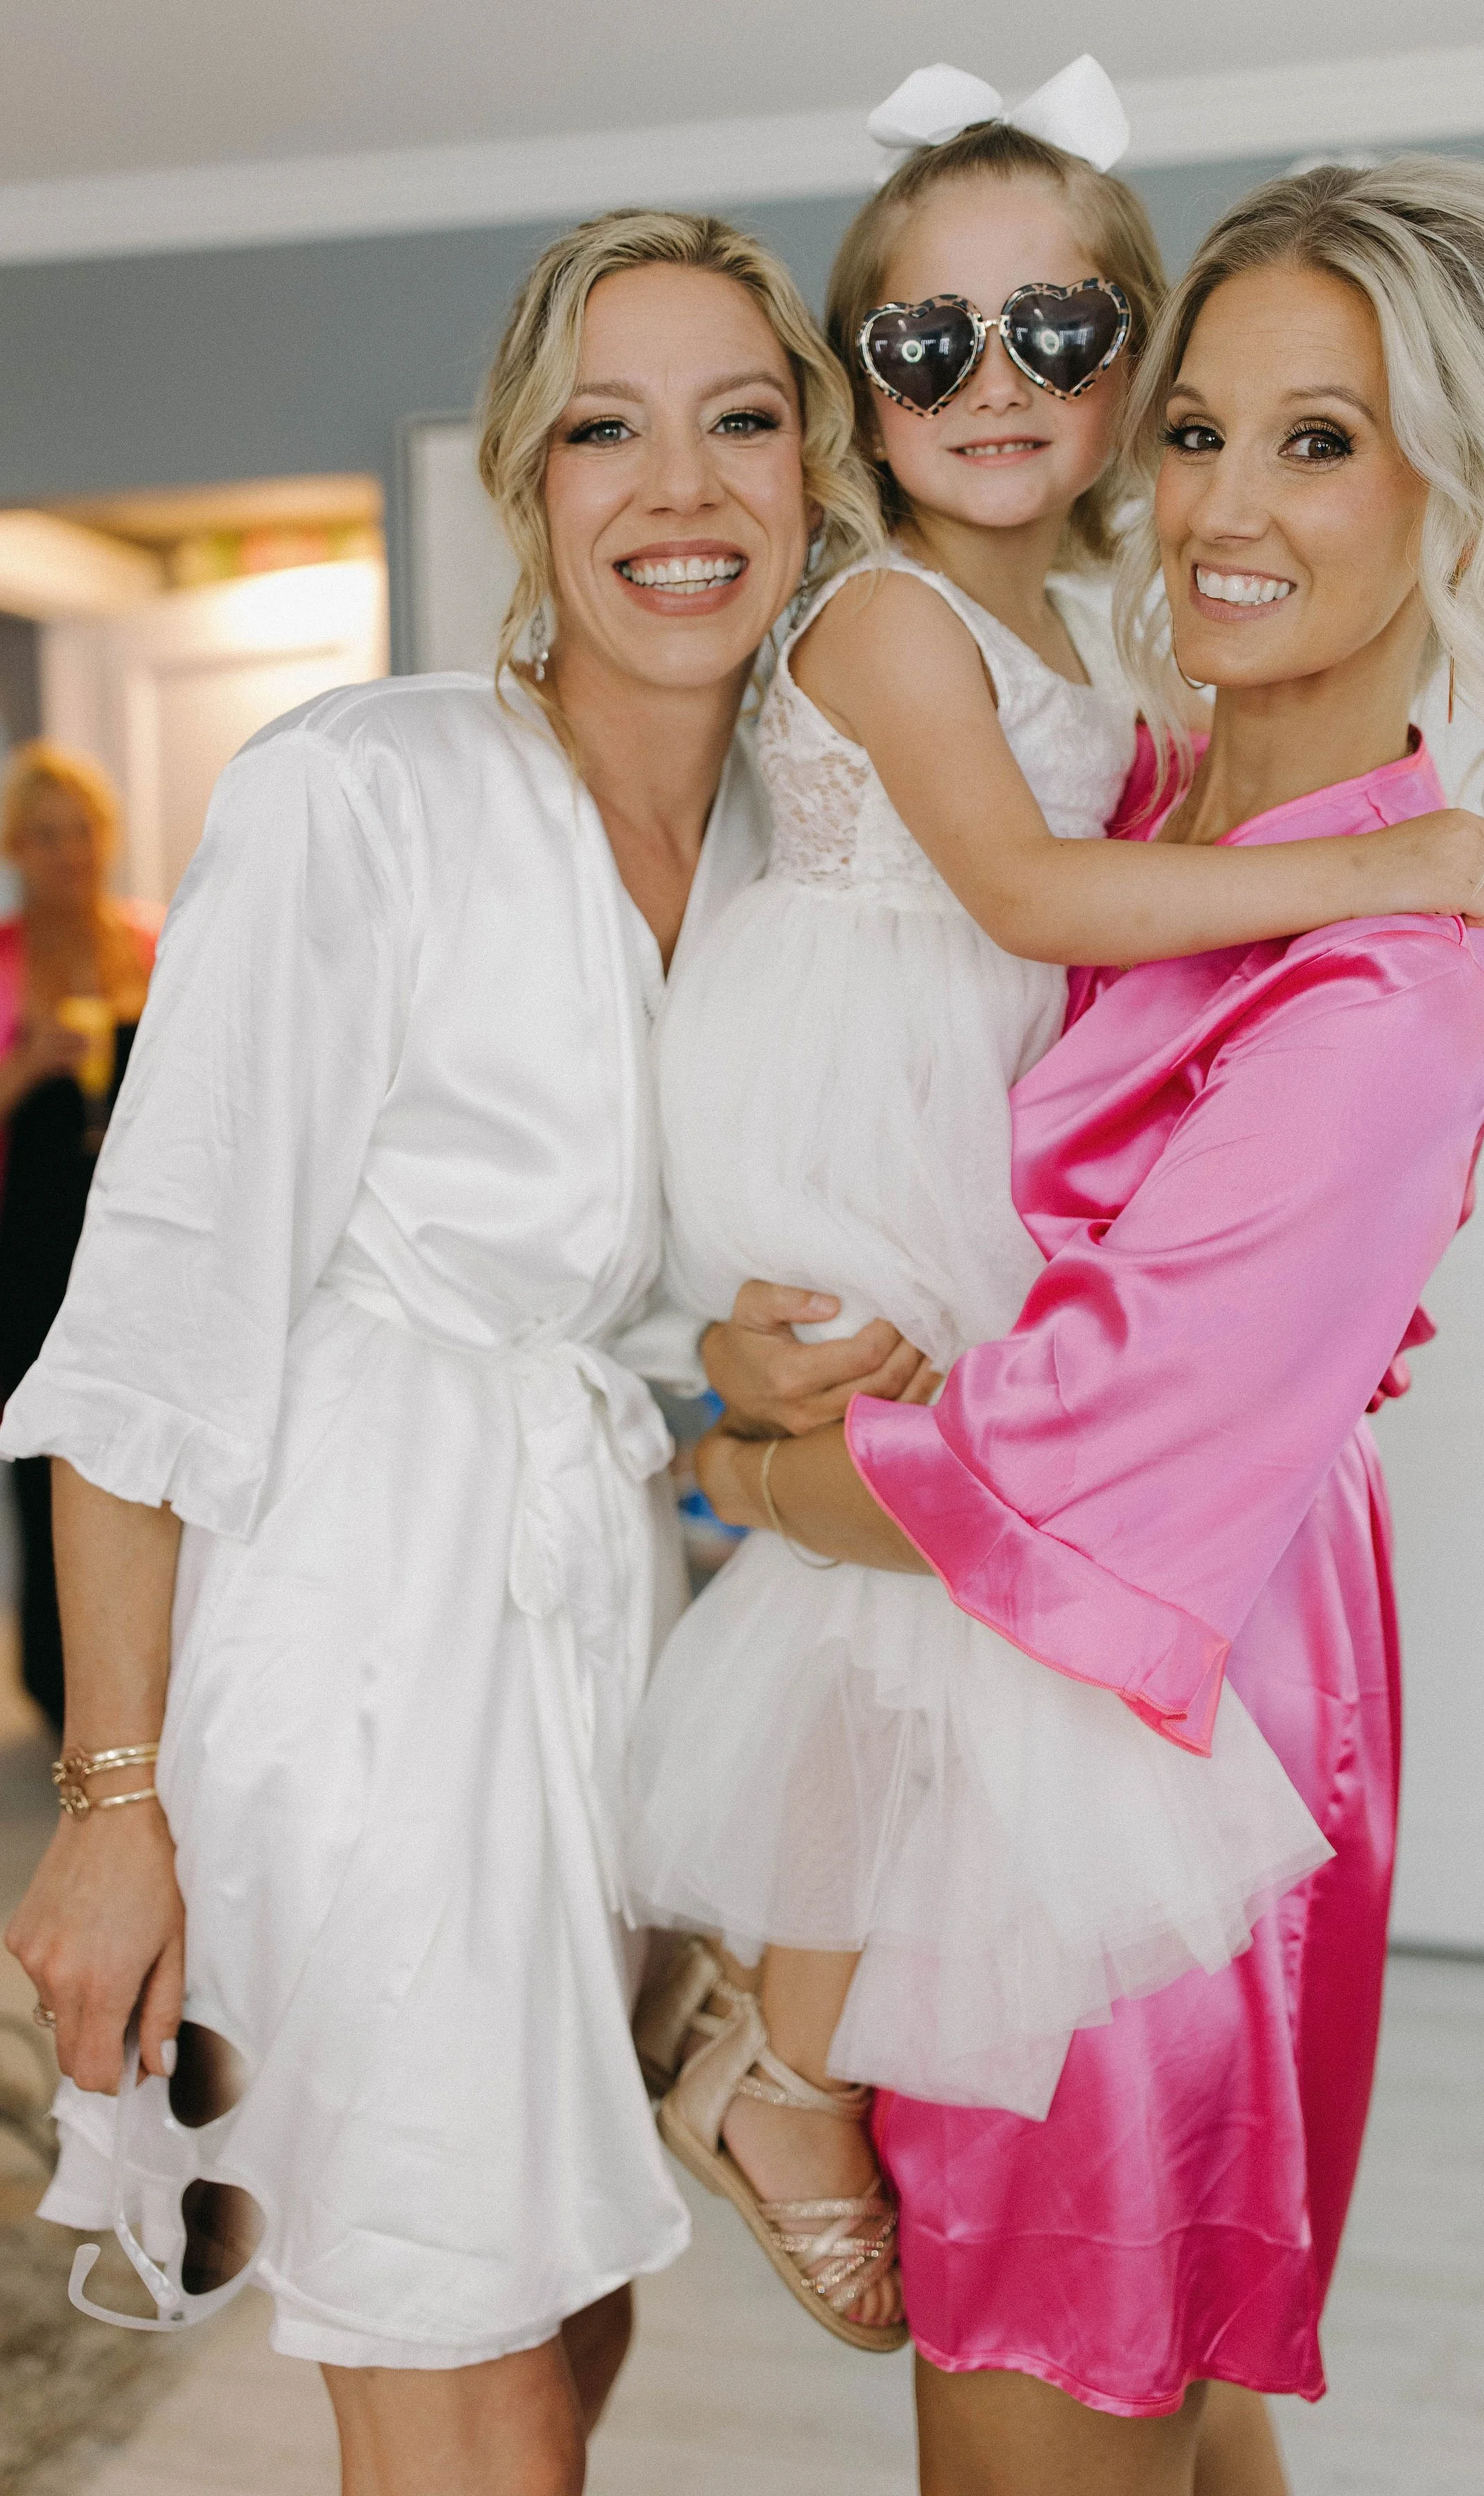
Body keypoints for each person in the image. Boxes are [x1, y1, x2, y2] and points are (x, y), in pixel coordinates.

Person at [692, 155, 1484, 2490]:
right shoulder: (1146, 803)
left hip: (1136, 1744)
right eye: (1200, 426)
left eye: (1324, 438)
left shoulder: (1390, 987)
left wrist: (741, 1474)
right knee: (1159, 2418)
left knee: (1061, 2388)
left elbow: (1059, 1461)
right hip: (1045, 1707)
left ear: (1460, 500)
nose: (1221, 497)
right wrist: (777, 1348)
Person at [0, 209, 897, 2496]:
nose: (677, 489)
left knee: (562, 2316)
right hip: (357, 1641)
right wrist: (114, 1802)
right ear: (527, 478)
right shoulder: (360, 791)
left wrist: (753, 1367)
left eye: (740, 420)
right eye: (608, 428)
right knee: (455, 2337)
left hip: (602, 1634)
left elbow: (629, 1291)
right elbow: (155, 1321)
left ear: (814, 472)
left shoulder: (812, 854)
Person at [0, 743, 159, 1729]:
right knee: (43, 1458)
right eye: (45, 835)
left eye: (83, 831)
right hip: (29, 1243)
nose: (69, 853)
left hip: (134, 1242)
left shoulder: (151, 943)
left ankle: (150, 1683)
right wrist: (28, 1065)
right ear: (17, 848)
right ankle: (61, 1693)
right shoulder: (6, 961)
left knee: (140, 1455)